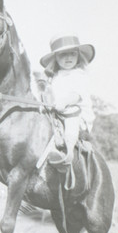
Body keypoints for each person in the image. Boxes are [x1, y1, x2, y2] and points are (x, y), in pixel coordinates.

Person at [38, 33, 96, 166]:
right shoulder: (54, 77)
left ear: (78, 56)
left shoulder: (79, 75)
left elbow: (77, 95)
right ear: (56, 58)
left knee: (72, 113)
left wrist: (64, 102)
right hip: (57, 112)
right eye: (63, 54)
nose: (68, 57)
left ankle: (68, 153)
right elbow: (48, 93)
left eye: (72, 54)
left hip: (77, 114)